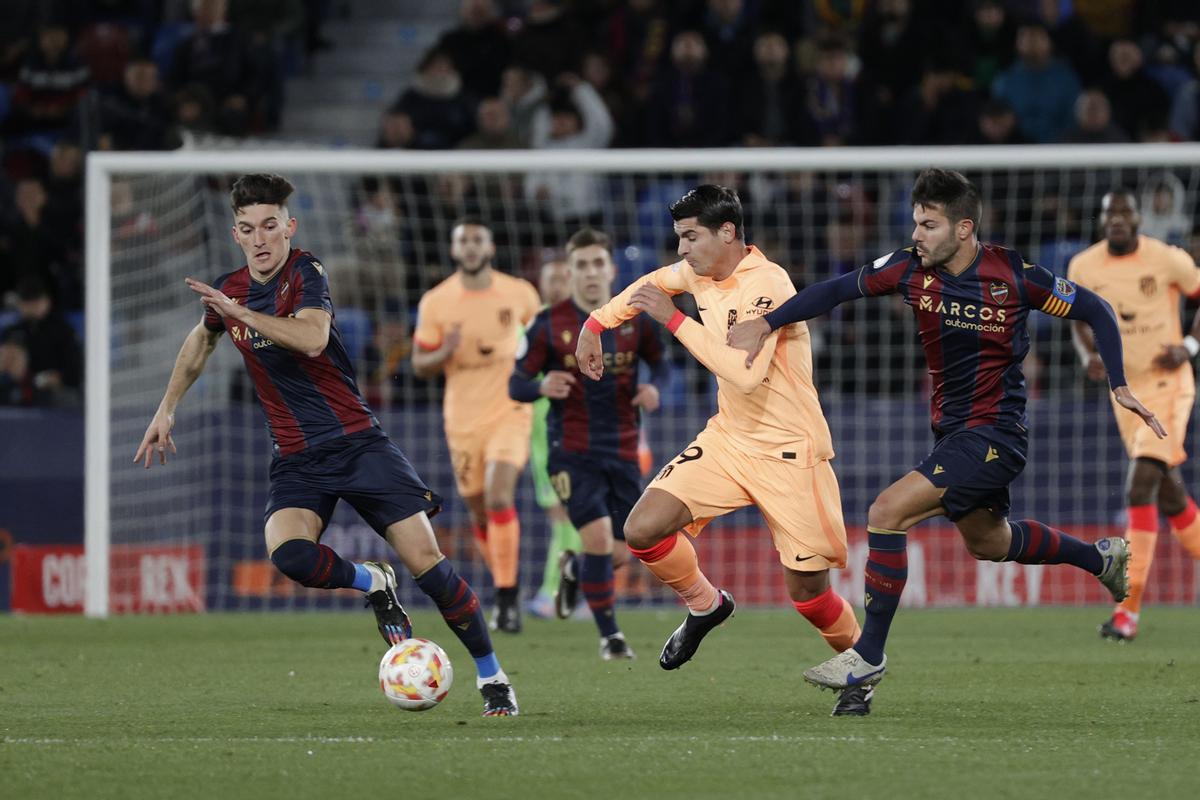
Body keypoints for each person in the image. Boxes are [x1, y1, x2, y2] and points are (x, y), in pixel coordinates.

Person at [728, 168, 1162, 698]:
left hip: (998, 433)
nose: (916, 235)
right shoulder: (908, 270)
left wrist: (1117, 383)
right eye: (915, 222)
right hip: (953, 434)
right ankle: (1102, 558)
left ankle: (866, 657)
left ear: (963, 228)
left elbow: (1095, 308)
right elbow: (834, 291)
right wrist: (767, 323)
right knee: (990, 541)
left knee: (886, 512)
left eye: (928, 225)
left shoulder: (1015, 276)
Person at [134, 175, 518, 716]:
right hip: (295, 457)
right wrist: (167, 406)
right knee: (289, 554)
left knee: (430, 567)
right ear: (236, 234)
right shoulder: (229, 289)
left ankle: (492, 676)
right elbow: (203, 337)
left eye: (271, 225)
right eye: (248, 229)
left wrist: (240, 312)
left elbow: (312, 338)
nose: (261, 239)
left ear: (290, 227)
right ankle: (372, 581)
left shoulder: (306, 272)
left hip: (358, 444)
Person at [575, 186, 869, 716]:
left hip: (789, 453)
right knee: (642, 529)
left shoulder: (769, 285)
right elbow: (648, 286)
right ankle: (706, 606)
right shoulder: (696, 272)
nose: (682, 250)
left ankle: (858, 666)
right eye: (679, 238)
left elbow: (744, 373)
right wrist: (596, 323)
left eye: (691, 237)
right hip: (729, 439)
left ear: (727, 233)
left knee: (808, 596)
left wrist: (672, 319)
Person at [511, 228, 668, 660]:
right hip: (570, 452)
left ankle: (574, 571)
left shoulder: (634, 321)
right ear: (571, 271)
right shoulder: (547, 324)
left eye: (598, 263)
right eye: (581, 265)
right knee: (599, 538)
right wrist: (542, 386)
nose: (591, 272)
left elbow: (662, 366)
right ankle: (611, 637)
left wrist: (653, 387)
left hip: (621, 450)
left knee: (619, 551)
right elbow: (515, 384)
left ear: (611, 269)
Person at [1067, 189, 1200, 641]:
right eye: (1110, 214)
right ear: (1103, 221)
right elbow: (1077, 319)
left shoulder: (1167, 259)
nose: (1117, 220)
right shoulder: (1084, 266)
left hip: (1169, 385)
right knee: (1171, 498)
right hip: (1125, 393)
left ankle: (1126, 613)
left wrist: (1191, 346)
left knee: (1139, 483)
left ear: (1139, 218)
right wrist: (1088, 355)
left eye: (1125, 212)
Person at [412, 219, 541, 633]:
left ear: (490, 246)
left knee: (500, 495)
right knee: (480, 509)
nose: (470, 247)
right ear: (454, 250)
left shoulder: (519, 293)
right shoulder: (437, 301)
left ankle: (506, 597)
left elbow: (543, 341)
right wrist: (444, 351)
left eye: (477, 240)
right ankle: (507, 583)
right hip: (463, 419)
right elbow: (419, 363)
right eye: (463, 241)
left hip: (510, 409)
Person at [525, 257, 584, 620]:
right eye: (551, 278)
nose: (558, 284)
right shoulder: (534, 327)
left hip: (582, 429)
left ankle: (557, 593)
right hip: (544, 432)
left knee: (576, 513)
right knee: (562, 515)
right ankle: (567, 593)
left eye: (564, 277)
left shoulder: (587, 322)